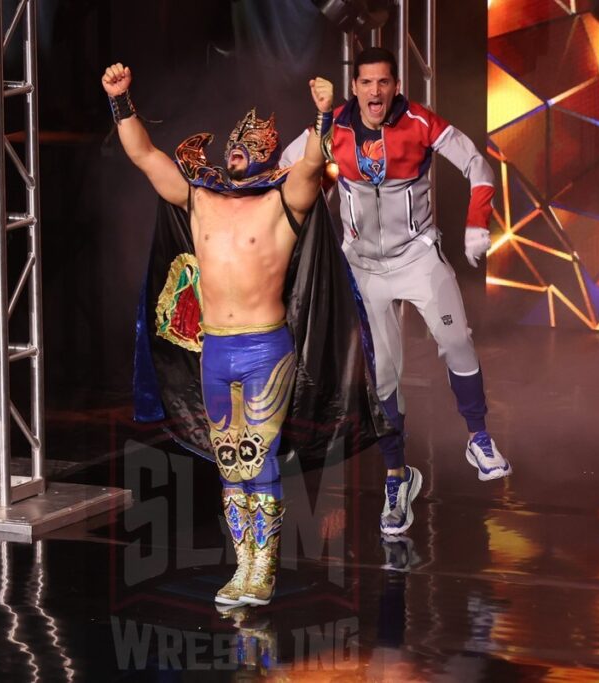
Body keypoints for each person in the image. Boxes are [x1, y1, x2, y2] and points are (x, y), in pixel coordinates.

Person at [104, 63, 391, 606]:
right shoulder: (199, 199)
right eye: (234, 144)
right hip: (216, 350)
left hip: (265, 349)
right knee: (231, 464)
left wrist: (324, 115)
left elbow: (313, 163)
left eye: (247, 145)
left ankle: (264, 570)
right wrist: (122, 102)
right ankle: (243, 568)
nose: (235, 150)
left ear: (266, 151)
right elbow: (144, 155)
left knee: (258, 457)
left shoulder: (284, 204)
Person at [282, 47, 511, 538]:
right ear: (355, 87)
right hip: (363, 269)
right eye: (366, 83)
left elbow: (477, 165)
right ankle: (397, 477)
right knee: (383, 376)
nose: (375, 93)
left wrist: (477, 223)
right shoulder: (332, 128)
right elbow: (285, 173)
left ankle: (478, 437)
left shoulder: (421, 123)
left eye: (384, 83)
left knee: (457, 343)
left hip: (418, 259)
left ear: (395, 85)